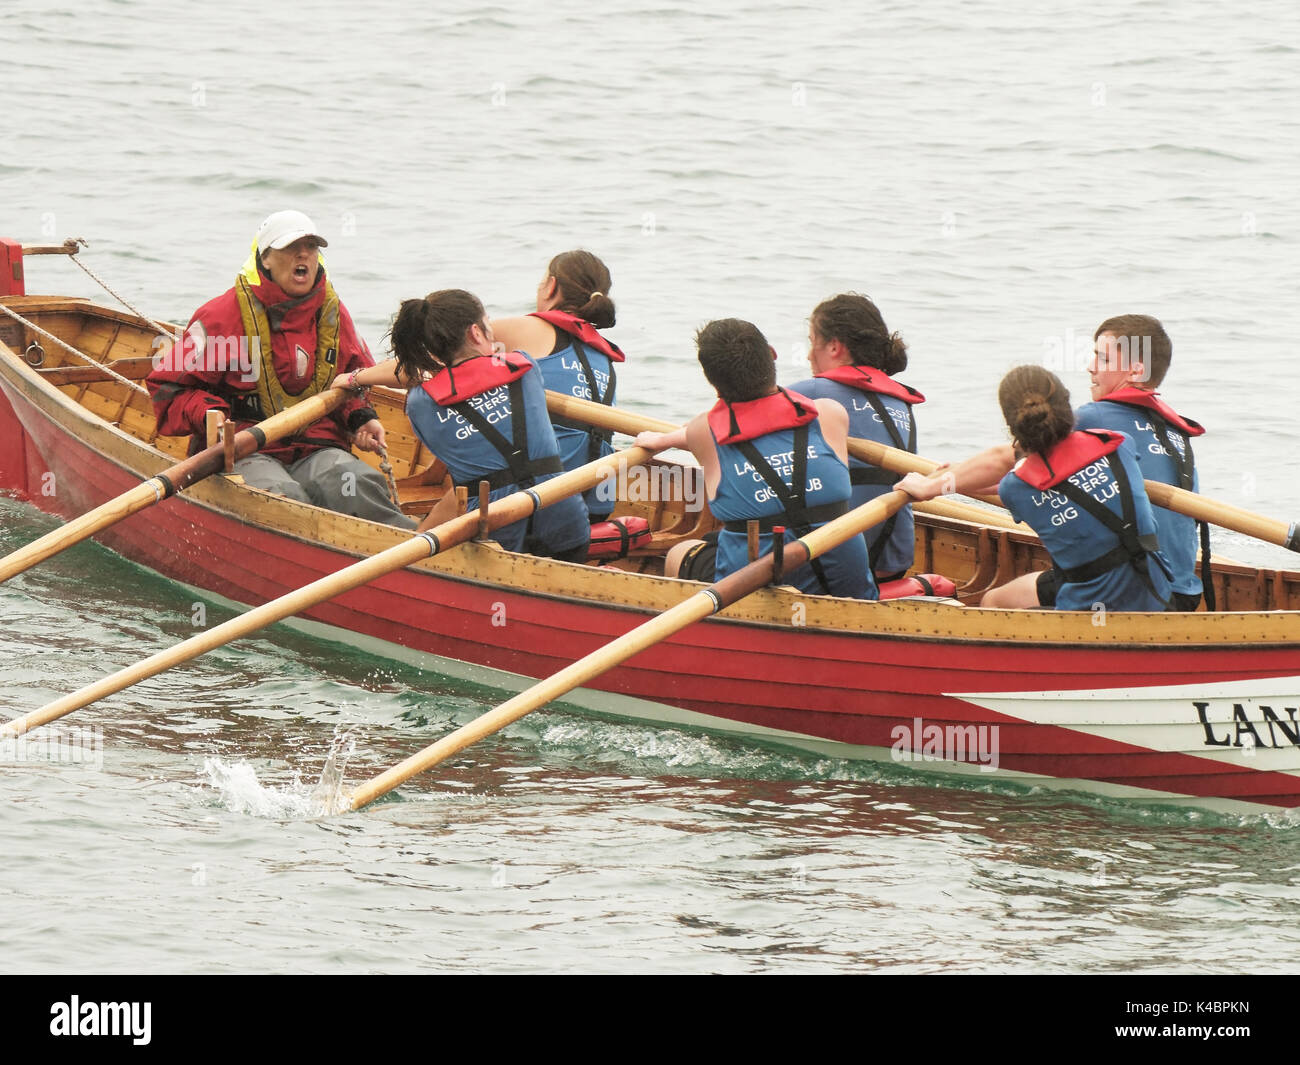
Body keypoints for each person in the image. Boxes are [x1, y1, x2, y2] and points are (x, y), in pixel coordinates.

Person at [147, 210, 415, 529]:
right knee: (283, 497)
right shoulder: (221, 316)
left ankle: (408, 551)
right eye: (290, 247)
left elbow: (353, 382)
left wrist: (360, 418)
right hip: (244, 446)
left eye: (311, 247)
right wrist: (211, 416)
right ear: (266, 259)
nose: (303, 254)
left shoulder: (334, 314)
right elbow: (168, 388)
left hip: (316, 444)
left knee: (358, 484)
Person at [334, 289, 590, 560]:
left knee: (467, 488)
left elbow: (414, 373)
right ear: (476, 333)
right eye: (488, 323)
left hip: (493, 539)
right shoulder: (524, 368)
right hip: (568, 528)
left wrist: (355, 379)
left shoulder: (421, 404)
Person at [634, 318, 875, 600]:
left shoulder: (703, 432)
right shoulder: (829, 414)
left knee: (679, 553)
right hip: (846, 590)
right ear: (772, 354)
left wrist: (662, 440)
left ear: (712, 381)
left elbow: (700, 428)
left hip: (749, 593)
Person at [898, 366, 1171, 612]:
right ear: (1067, 406)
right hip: (1153, 587)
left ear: (1012, 424)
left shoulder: (1016, 488)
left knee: (991, 602)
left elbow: (1008, 481)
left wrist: (937, 485)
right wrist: (949, 480)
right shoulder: (1118, 443)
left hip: (1091, 606)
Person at [1074, 315, 1207, 611]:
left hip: (1136, 593)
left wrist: (950, 480)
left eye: (1103, 358)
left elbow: (1013, 463)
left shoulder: (1095, 418)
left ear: (1135, 371)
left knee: (997, 599)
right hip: (1185, 595)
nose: (1090, 367)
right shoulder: (1176, 433)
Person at [789, 293, 924, 584]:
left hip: (837, 567)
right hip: (892, 565)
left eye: (812, 342)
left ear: (835, 346)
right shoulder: (902, 403)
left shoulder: (811, 393)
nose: (809, 355)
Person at [489, 250, 624, 520]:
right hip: (597, 501)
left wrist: (376, 377)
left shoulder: (527, 329)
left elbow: (430, 354)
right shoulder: (603, 353)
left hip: (538, 501)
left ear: (551, 286)